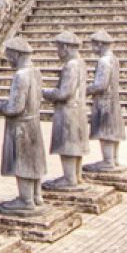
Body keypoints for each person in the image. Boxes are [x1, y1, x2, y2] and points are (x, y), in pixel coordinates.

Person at [0, 37, 47, 213]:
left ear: (16, 54)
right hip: (34, 122)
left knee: (23, 162)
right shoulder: (36, 72)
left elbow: (15, 107)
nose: (8, 59)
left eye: (9, 55)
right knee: (34, 161)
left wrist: (1, 107)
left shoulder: (20, 75)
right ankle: (36, 196)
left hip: (22, 126)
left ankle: (26, 200)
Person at [42, 31, 89, 188]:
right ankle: (76, 175)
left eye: (59, 48)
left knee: (68, 144)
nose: (58, 52)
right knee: (75, 144)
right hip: (79, 108)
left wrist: (46, 93)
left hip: (69, 110)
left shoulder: (71, 65)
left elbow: (64, 93)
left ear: (66, 47)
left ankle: (69, 178)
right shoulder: (81, 62)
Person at [87, 31, 125, 171]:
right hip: (113, 98)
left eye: (93, 44)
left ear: (100, 44)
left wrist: (87, 90)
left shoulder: (104, 61)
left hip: (105, 100)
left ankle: (108, 160)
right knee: (113, 129)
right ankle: (113, 158)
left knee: (106, 130)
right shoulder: (114, 58)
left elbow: (101, 84)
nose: (91, 48)